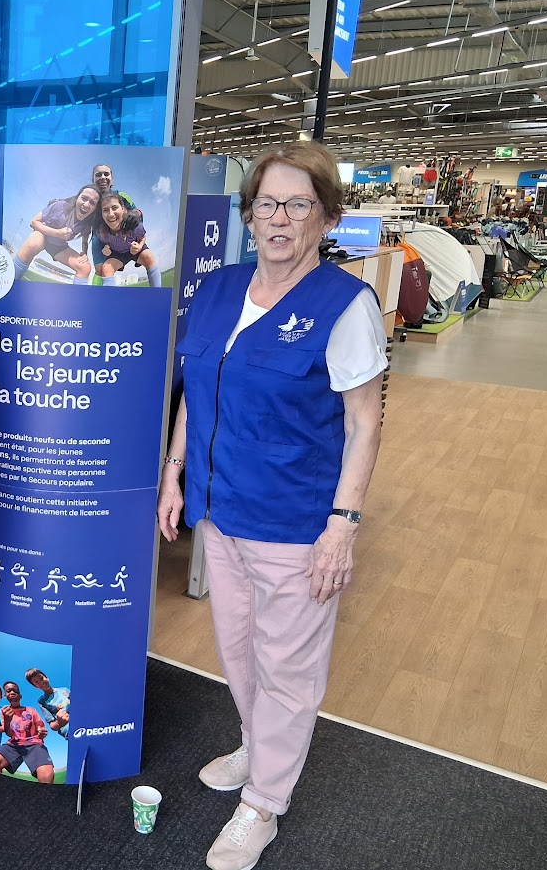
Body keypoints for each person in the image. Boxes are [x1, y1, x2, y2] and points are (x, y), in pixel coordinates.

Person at [157, 140, 386, 870]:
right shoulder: (219, 288)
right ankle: (257, 745)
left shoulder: (344, 304)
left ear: (326, 218)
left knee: (288, 668)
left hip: (295, 523)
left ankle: (264, 802)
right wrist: (174, 472)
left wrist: (342, 526)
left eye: (297, 204)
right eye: (266, 204)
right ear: (248, 213)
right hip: (220, 512)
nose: (279, 219)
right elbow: (195, 391)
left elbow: (364, 423)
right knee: (238, 648)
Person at [11, 185, 100, 283]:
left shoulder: (87, 223)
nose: (86, 205)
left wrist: (84, 254)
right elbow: (34, 222)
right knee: (33, 244)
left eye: (92, 203)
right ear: (77, 197)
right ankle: (11, 282)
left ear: (95, 208)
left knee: (85, 267)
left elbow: (85, 240)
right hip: (43, 235)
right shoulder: (60, 206)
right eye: (84, 198)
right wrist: (57, 233)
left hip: (58, 246)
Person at [0, 681, 54, 784]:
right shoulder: (4, 711)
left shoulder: (31, 710)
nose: (12, 692)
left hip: (34, 744)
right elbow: (8, 733)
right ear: (5, 696)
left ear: (20, 696)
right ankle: (0, 790)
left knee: (47, 775)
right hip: (14, 744)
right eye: (9, 691)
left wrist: (41, 732)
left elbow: (40, 728)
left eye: (15, 691)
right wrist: (5, 722)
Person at [95, 192, 161, 287]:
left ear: (122, 209)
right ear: (101, 214)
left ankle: (157, 291)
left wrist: (139, 246)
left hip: (135, 249)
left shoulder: (134, 224)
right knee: (106, 268)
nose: (111, 214)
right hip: (118, 253)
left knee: (149, 257)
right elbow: (105, 244)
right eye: (105, 210)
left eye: (114, 208)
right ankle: (109, 295)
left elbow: (143, 237)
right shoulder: (101, 232)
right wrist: (106, 249)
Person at [24, 668, 69, 737]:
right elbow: (53, 726)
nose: (41, 682)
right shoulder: (42, 702)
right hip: (69, 730)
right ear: (35, 686)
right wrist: (59, 722)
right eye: (36, 682)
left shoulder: (64, 690)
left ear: (47, 678)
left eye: (41, 678)